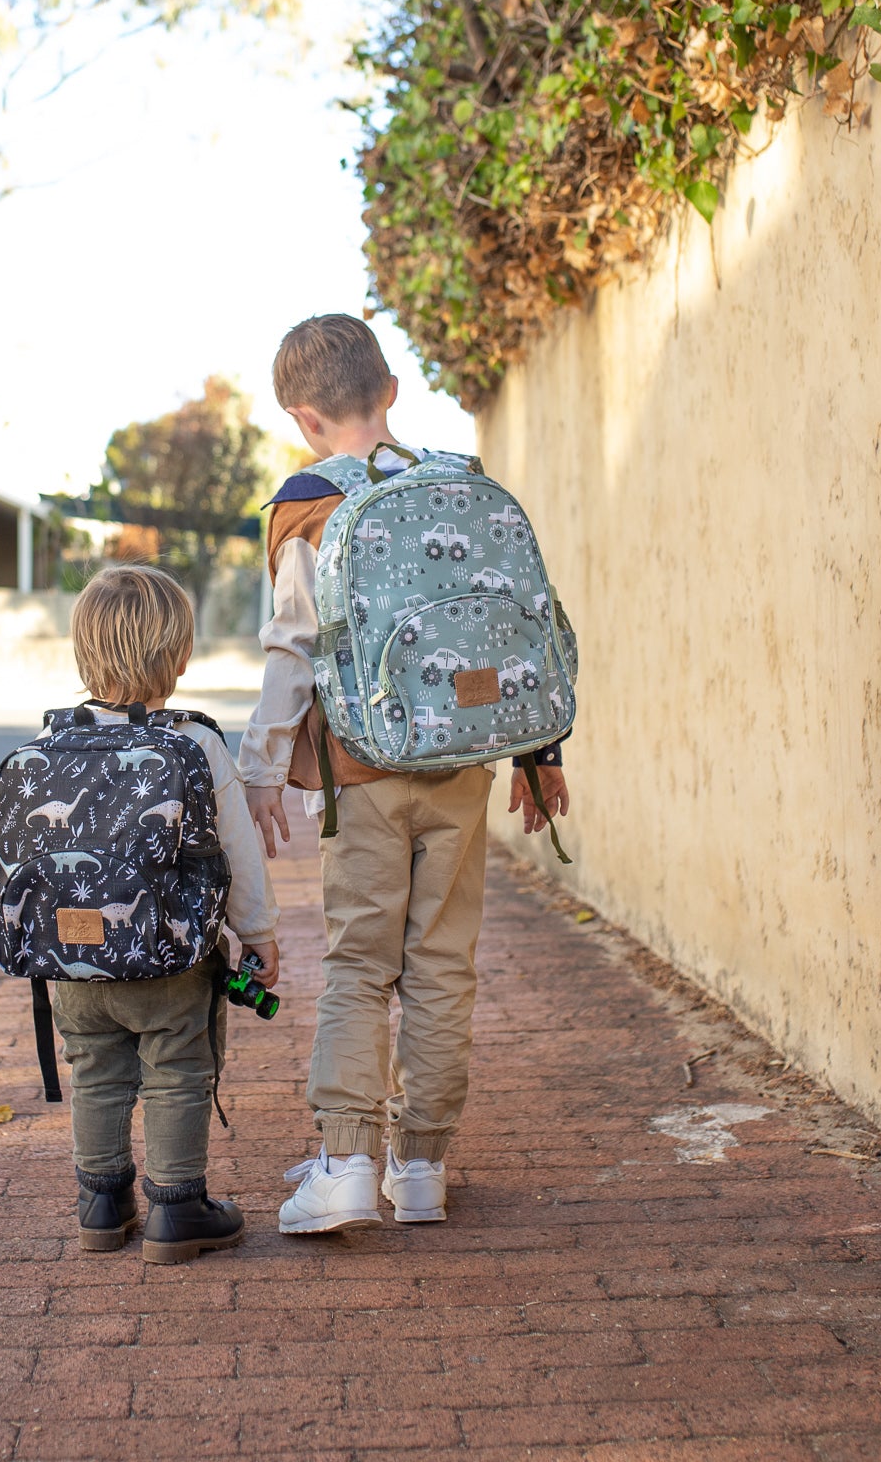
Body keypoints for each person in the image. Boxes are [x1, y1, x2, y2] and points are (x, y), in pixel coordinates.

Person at [238, 314, 571, 1233]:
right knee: (440, 962)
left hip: (363, 770)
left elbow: (292, 645)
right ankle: (420, 1164)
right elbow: (521, 623)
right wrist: (539, 753)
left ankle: (346, 1159)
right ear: (391, 390)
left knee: (357, 964)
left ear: (304, 417)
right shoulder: (463, 485)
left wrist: (262, 767)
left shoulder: (305, 501)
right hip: (463, 764)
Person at [54, 565, 280, 1263]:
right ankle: (178, 1208)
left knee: (94, 1067)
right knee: (179, 1069)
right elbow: (235, 854)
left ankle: (100, 1202)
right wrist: (259, 936)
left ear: (82, 651)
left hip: (74, 959)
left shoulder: (55, 742)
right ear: (179, 657)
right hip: (172, 958)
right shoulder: (196, 743)